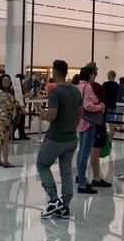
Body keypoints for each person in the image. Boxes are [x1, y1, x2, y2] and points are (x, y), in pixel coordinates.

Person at [37, 60, 83, 219]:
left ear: (55, 72)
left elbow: (51, 116)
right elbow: (80, 113)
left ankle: (53, 199)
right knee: (66, 171)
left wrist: (42, 114)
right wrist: (72, 127)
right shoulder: (76, 91)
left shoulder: (56, 92)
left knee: (42, 165)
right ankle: (65, 207)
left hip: (55, 138)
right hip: (71, 138)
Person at [76, 66, 104, 194]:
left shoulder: (78, 86)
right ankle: (82, 184)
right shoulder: (87, 87)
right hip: (89, 123)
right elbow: (88, 105)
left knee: (81, 151)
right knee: (84, 154)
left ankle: (81, 178)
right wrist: (99, 106)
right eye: (94, 74)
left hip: (80, 122)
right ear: (90, 75)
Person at [85, 62, 112, 188]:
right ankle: (96, 177)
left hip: (86, 123)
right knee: (95, 151)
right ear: (93, 72)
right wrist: (101, 108)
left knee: (89, 150)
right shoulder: (95, 86)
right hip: (97, 122)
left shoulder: (84, 86)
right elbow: (101, 105)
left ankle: (88, 175)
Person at [0, 74, 20, 167]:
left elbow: (14, 101)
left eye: (8, 81)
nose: (7, 83)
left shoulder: (7, 92)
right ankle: (6, 161)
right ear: (1, 82)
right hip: (4, 118)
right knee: (4, 140)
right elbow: (9, 105)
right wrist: (17, 105)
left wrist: (18, 105)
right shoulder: (1, 92)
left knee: (0, 139)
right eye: (4, 81)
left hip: (4, 117)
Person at [102, 70, 121, 140]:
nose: (107, 76)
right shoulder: (117, 85)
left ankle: (104, 140)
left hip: (106, 107)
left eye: (107, 74)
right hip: (113, 106)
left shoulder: (105, 84)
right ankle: (110, 140)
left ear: (109, 75)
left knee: (103, 123)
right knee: (112, 124)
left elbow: (102, 95)